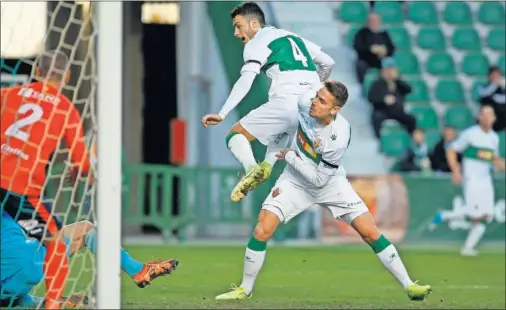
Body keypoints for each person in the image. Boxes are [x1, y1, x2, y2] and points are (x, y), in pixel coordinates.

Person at [214, 81, 432, 301]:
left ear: (334, 109)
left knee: (369, 232)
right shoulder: (304, 102)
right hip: (294, 182)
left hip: (330, 184)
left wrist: (290, 156)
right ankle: (245, 289)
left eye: (322, 101)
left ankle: (409, 285)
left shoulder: (339, 136)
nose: (314, 103)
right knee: (263, 228)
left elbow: (319, 180)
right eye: (316, 96)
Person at [0, 51, 178, 308]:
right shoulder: (64, 109)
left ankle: (46, 302)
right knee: (65, 236)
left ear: (36, 72)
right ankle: (56, 301)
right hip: (21, 190)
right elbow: (83, 164)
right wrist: (80, 168)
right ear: (68, 76)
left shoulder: (7, 96)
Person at [201, 2, 335, 202]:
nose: (236, 33)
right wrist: (318, 85)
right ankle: (266, 167)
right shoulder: (293, 37)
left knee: (235, 136)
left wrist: (222, 113)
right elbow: (328, 62)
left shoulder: (257, 42)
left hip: (289, 101)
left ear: (254, 24)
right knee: (280, 135)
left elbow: (247, 79)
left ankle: (251, 169)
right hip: (314, 109)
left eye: (238, 26)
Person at [1, 214, 179, 308]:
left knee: (13, 295)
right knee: (85, 230)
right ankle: (138, 270)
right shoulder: (13, 187)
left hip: (10, 281)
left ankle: (35, 302)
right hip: (31, 261)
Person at [430, 106, 505, 256]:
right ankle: (445, 216)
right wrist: (456, 171)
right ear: (480, 117)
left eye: (491, 115)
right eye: (485, 115)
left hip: (486, 181)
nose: (488, 118)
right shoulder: (470, 135)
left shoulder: (493, 138)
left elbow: (495, 159)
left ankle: (468, 247)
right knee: (474, 215)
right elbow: (451, 150)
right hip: (472, 180)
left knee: (486, 216)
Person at [368, 57, 416, 139]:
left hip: (397, 111)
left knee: (411, 119)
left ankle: (411, 138)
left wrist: (397, 79)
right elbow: (371, 97)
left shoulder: (398, 83)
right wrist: (383, 99)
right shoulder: (377, 83)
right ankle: (378, 139)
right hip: (383, 111)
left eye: (391, 69)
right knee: (377, 118)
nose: (389, 72)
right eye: (387, 70)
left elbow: (409, 89)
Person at [353, 12, 395, 85]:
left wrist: (385, 51)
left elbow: (392, 48)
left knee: (390, 64)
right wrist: (370, 49)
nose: (374, 22)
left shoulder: (384, 34)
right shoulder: (362, 33)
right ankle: (363, 86)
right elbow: (357, 47)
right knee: (360, 65)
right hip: (366, 59)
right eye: (372, 20)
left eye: (376, 20)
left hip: (381, 60)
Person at [478, 66, 505, 131]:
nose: (496, 77)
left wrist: (495, 98)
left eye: (498, 75)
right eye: (494, 75)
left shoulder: (503, 88)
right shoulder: (483, 87)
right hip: (490, 119)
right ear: (489, 76)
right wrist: (494, 85)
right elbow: (483, 94)